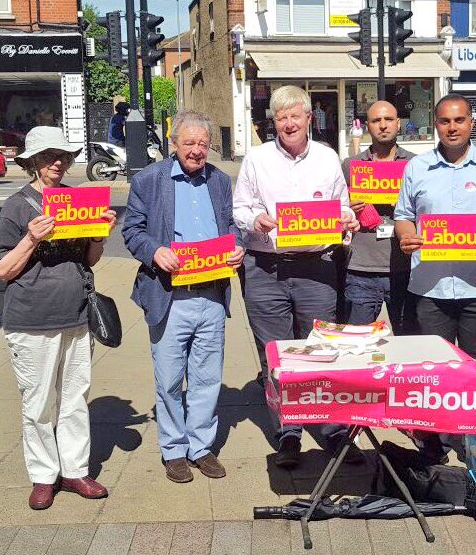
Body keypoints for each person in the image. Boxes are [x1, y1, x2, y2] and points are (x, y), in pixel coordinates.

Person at [233, 85, 360, 469]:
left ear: (309, 118)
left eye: (295, 116)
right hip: (266, 268)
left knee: (320, 352)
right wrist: (254, 219)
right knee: (276, 356)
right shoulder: (256, 159)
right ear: (273, 121)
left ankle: (333, 430)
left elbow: (341, 208)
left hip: (315, 269)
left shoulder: (327, 157)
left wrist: (347, 221)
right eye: (281, 117)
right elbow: (239, 207)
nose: (289, 123)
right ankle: (288, 432)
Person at [0, 126, 117, 510]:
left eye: (63, 156)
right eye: (49, 156)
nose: (58, 163)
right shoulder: (16, 206)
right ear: (33, 162)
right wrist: (31, 239)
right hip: (32, 321)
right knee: (39, 404)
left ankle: (75, 470)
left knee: (74, 399)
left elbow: (90, 260)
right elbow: (3, 270)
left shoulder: (76, 201)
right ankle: (44, 476)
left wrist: (98, 235)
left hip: (76, 316)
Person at [122, 110, 244, 484]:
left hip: (211, 295)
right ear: (173, 143)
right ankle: (174, 450)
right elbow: (132, 231)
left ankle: (201, 447)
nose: (196, 150)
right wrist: (155, 251)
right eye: (188, 143)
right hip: (169, 296)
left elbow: (231, 226)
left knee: (207, 378)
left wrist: (237, 247)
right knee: (170, 380)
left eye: (202, 144)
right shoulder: (148, 180)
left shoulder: (219, 181)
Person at [395, 93, 476, 378]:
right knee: (435, 370)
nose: (452, 127)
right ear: (436, 124)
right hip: (430, 286)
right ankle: (438, 410)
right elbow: (403, 215)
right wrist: (406, 237)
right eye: (445, 121)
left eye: (459, 120)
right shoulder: (417, 167)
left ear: (472, 123)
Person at [342, 101, 416, 334]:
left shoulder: (416, 164)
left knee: (410, 343)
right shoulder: (351, 166)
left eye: (389, 119)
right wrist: (347, 209)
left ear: (398, 123)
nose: (383, 125)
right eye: (376, 120)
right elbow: (335, 211)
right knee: (358, 343)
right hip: (360, 271)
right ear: (367, 126)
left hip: (406, 269)